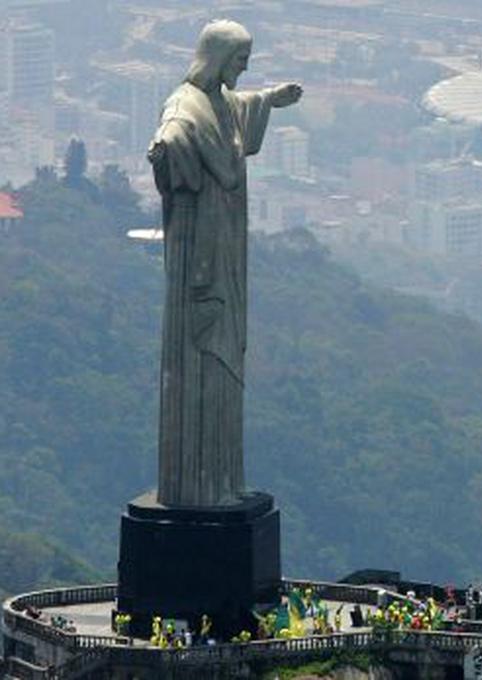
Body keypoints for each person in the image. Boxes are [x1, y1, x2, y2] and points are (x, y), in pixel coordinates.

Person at [148, 19, 302, 506]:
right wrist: (167, 148)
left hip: (226, 244)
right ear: (216, 58)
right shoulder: (184, 104)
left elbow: (234, 107)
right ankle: (197, 487)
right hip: (202, 252)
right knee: (202, 359)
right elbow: (173, 132)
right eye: (239, 60)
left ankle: (222, 482)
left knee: (226, 360)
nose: (244, 68)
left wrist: (270, 97)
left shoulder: (217, 100)